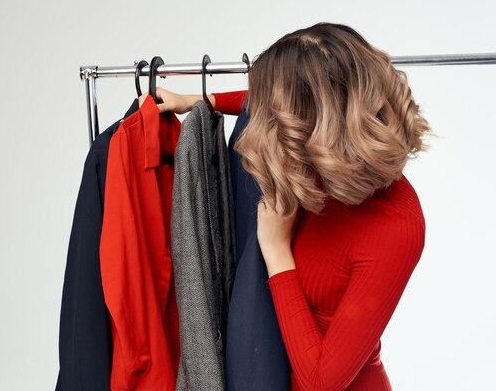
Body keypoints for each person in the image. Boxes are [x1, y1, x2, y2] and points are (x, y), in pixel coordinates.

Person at [138, 22, 432, 390]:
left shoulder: (396, 225)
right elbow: (266, 101)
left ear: (317, 118)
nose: (266, 117)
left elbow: (321, 382)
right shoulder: (317, 151)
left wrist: (277, 252)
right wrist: (204, 102)